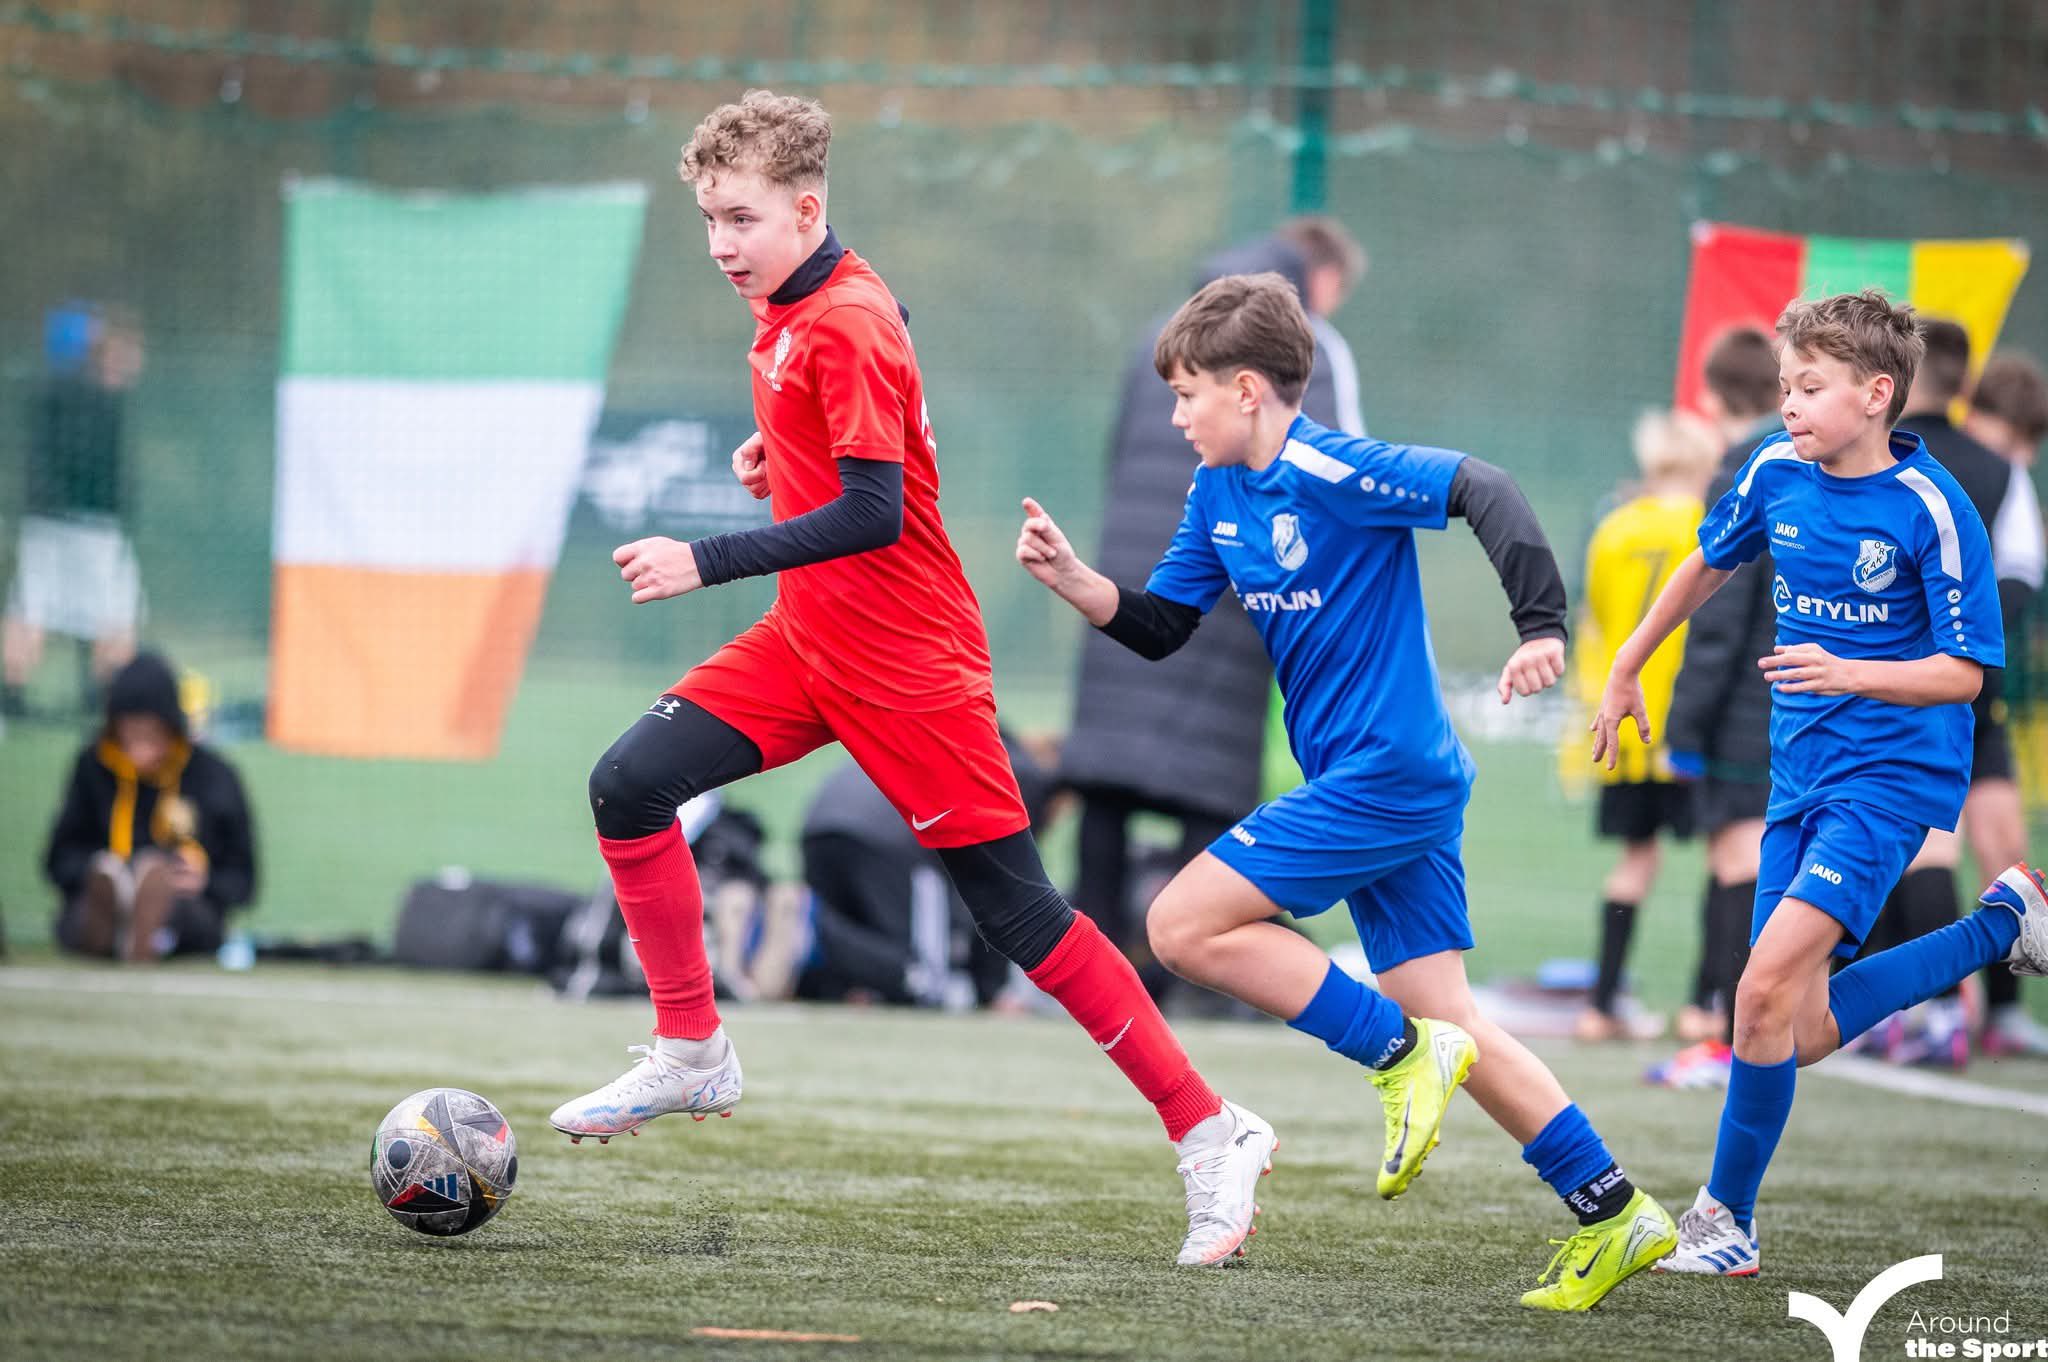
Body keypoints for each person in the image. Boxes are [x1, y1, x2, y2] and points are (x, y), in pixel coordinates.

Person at [547, 90, 1272, 1269]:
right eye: (709, 220)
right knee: (628, 785)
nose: (720, 243)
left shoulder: (840, 320)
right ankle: (691, 1050)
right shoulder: (802, 300)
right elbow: (871, 374)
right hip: (807, 645)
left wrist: (704, 558)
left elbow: (875, 512)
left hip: (906, 665)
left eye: (740, 219)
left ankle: (1210, 1128)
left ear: (805, 210)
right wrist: (781, 446)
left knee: (1020, 916)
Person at [1018, 272, 1677, 1311]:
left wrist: (1540, 628)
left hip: (1389, 773)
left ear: (1245, 390)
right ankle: (1614, 1209)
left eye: (1187, 394)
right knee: (1454, 1020)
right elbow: (1162, 626)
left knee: (1181, 926)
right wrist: (1076, 583)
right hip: (1375, 782)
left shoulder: (1336, 466)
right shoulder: (1216, 493)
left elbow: (1486, 488)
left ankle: (1396, 1055)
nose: (1177, 416)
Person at [1592, 290, 2048, 1277]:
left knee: (1754, 995)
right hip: (1796, 772)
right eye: (1785, 385)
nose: (1788, 403)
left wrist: (1850, 671)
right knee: (1791, 1031)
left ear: (1876, 394)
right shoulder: (1773, 469)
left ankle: (1725, 1223)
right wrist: (1628, 662)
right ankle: (1999, 928)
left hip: (1889, 779)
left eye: (1809, 386)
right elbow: (1705, 563)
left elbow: (1965, 674)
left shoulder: (1932, 508)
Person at [1060, 225, 1365, 977]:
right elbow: (1327, 468)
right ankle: (1199, 974)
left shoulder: (1156, 338)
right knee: (1209, 788)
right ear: (1311, 283)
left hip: (1126, 576)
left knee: (1105, 785)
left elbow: (1116, 457)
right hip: (1226, 589)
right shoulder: (1307, 353)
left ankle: (1088, 972)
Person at [1850, 320, 2048, 1066]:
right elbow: (2022, 574)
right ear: (1965, 384)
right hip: (1975, 687)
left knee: (1923, 847)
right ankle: (1997, 1012)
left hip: (1904, 690)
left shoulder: (1874, 461)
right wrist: (1973, 644)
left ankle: (1931, 1014)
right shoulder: (1999, 470)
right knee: (2002, 848)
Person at [1654, 326, 1787, 1086]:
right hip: (1806, 699)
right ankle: (1735, 1027)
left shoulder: (1743, 467)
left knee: (1740, 862)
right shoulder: (1809, 461)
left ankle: (1734, 1040)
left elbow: (1718, 615)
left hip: (1748, 706)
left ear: (1710, 395)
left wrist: (1685, 727)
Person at [1571, 408, 1720, 1042]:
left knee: (1635, 859)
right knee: (1727, 859)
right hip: (1696, 721)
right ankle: (1705, 1004)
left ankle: (1601, 1005)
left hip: (1627, 727)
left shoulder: (1614, 527)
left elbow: (1599, 621)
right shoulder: (1710, 524)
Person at [796, 729, 1054, 1010]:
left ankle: (809, 926)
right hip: (890, 837)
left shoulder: (980, 740)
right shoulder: (1027, 777)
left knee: (845, 953)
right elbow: (1002, 886)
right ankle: (811, 927)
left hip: (821, 826)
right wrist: (991, 990)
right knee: (925, 978)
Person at [42, 651, 257, 960]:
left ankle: (146, 925)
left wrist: (205, 881)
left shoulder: (213, 775)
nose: (142, 747)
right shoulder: (93, 767)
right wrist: (97, 868)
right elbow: (58, 859)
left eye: (153, 734)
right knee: (87, 908)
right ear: (115, 728)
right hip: (101, 893)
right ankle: (112, 920)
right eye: (132, 732)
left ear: (173, 727)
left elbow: (243, 879)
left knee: (186, 913)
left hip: (184, 904)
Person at [1958, 351, 2048, 1056]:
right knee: (1913, 854)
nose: (2024, 458)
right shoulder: (1925, 462)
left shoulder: (2006, 479)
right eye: (2022, 440)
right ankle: (1916, 1006)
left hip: (1976, 697)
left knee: (2005, 849)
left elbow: (2020, 576)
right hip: (1910, 699)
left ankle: (2005, 1008)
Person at [3, 304, 146, 716]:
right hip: (92, 526)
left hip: (43, 519)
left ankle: (12, 693)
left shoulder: (46, 392)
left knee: (32, 603)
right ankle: (106, 695)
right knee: (115, 611)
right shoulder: (101, 400)